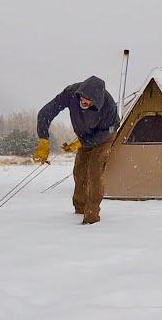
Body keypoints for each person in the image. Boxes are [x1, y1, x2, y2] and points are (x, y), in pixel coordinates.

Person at [33, 76, 119, 224]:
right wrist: (43, 140)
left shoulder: (108, 105)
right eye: (82, 97)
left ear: (97, 100)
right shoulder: (71, 93)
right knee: (79, 171)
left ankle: (91, 217)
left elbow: (107, 131)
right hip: (85, 136)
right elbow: (45, 113)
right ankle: (79, 208)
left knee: (94, 171)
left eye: (88, 99)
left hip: (105, 138)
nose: (83, 101)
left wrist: (80, 142)